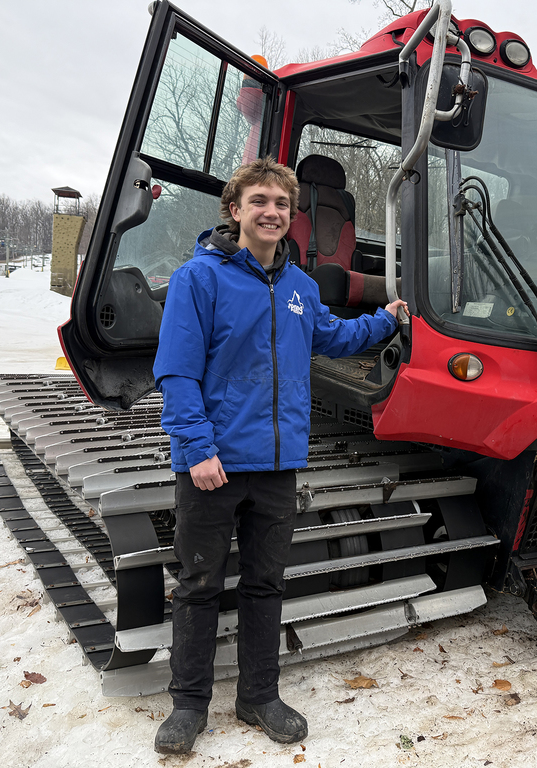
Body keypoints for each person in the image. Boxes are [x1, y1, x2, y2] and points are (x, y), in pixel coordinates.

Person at [152, 157, 406, 755]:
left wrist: (385, 321)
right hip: (213, 466)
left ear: (292, 217)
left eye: (282, 204)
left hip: (277, 466)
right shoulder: (200, 279)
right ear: (235, 211)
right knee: (198, 585)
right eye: (260, 201)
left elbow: (333, 338)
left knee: (265, 583)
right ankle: (188, 706)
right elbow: (178, 372)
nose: (272, 212)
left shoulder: (300, 288)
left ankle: (258, 695)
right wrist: (196, 449)